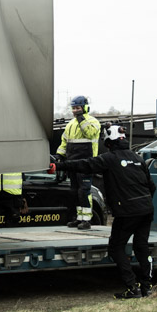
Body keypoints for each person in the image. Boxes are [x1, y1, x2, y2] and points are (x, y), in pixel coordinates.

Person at [53, 124, 157, 299]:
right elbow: (152, 186)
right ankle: (147, 287)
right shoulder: (137, 158)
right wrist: (143, 202)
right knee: (141, 247)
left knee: (116, 248)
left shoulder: (110, 158)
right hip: (146, 209)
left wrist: (58, 166)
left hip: (127, 212)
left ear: (109, 142)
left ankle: (132, 287)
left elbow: (84, 164)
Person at [56, 95, 101, 230]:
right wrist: (60, 155)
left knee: (84, 191)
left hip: (86, 162)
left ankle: (87, 220)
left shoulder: (93, 122)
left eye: (78, 108)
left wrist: (81, 119)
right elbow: (64, 141)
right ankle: (79, 218)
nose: (75, 111)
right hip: (72, 162)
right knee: (74, 192)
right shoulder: (70, 124)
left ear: (85, 108)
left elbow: (90, 133)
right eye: (73, 108)